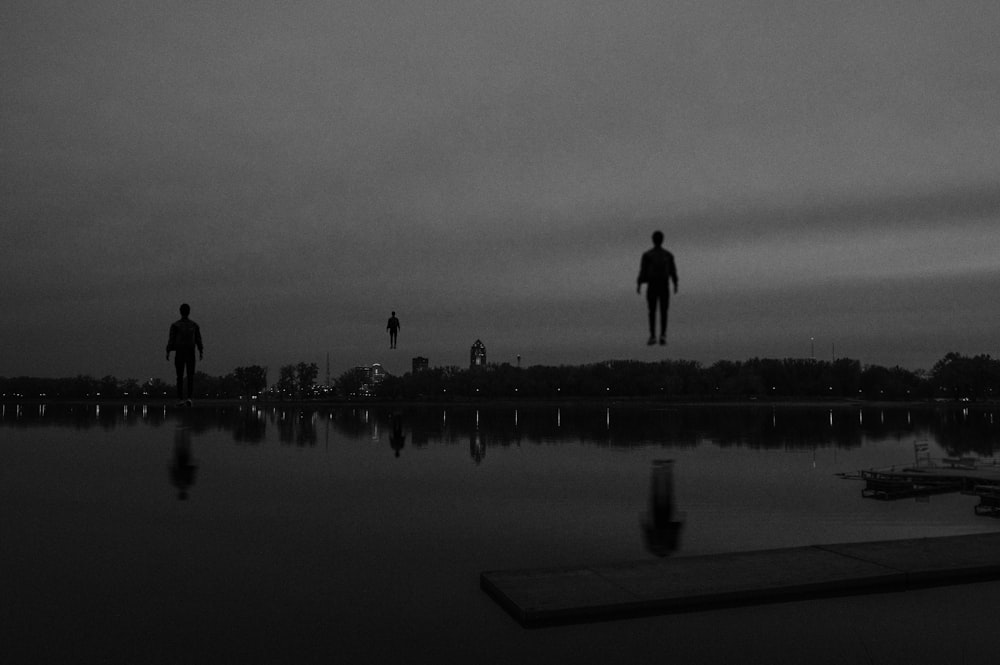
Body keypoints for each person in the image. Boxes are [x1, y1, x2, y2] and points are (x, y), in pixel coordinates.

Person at [637, 230, 679, 346]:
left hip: (654, 284)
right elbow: (673, 271)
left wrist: (639, 284)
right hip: (662, 284)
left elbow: (643, 271)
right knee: (662, 311)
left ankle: (654, 335)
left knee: (653, 311)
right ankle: (661, 335)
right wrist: (675, 284)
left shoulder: (648, 255)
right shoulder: (667, 255)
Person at [166, 303, 203, 403]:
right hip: (190, 352)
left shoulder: (175, 325)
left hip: (180, 352)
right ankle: (189, 398)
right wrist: (201, 351)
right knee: (190, 375)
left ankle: (180, 398)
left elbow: (171, 339)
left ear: (180, 312)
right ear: (189, 312)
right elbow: (198, 340)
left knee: (179, 376)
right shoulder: (194, 325)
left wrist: (168, 351)